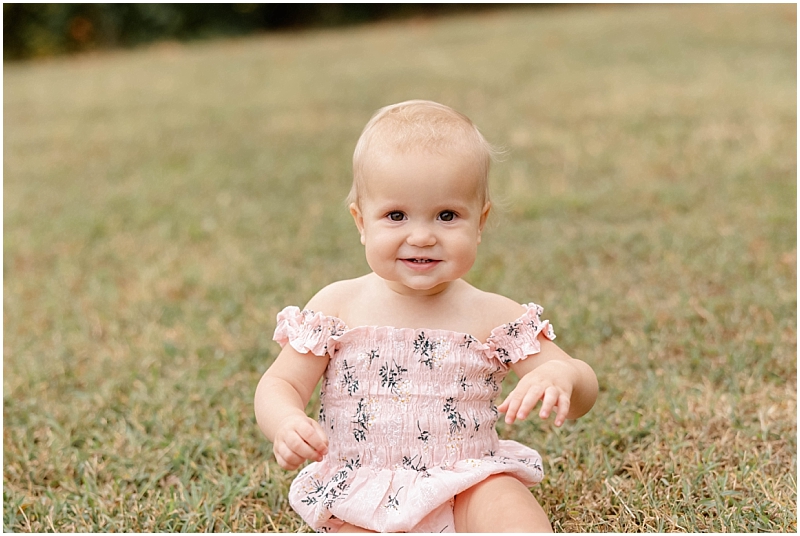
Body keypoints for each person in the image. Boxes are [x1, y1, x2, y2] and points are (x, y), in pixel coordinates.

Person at [254, 100, 598, 533]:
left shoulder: (494, 315)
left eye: (447, 215)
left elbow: (583, 385)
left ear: (480, 222)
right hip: (364, 486)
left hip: (469, 479)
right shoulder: (337, 306)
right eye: (396, 216)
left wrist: (564, 377)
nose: (421, 236)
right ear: (361, 222)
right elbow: (280, 383)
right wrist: (286, 421)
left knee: (508, 505)